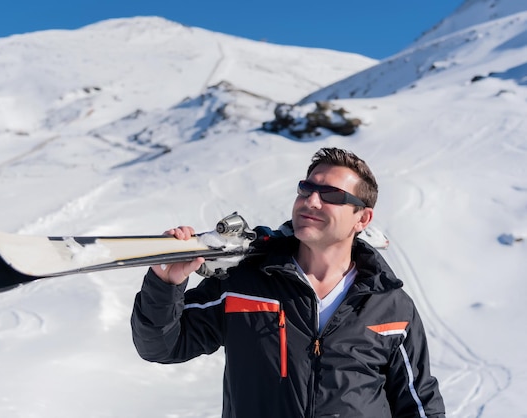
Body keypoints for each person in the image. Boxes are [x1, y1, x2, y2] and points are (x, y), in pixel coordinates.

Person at [131, 147, 445, 417]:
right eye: (305, 189)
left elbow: (419, 403)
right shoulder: (245, 282)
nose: (312, 201)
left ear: (362, 219)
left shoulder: (389, 306)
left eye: (331, 195)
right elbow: (161, 345)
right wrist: (165, 282)